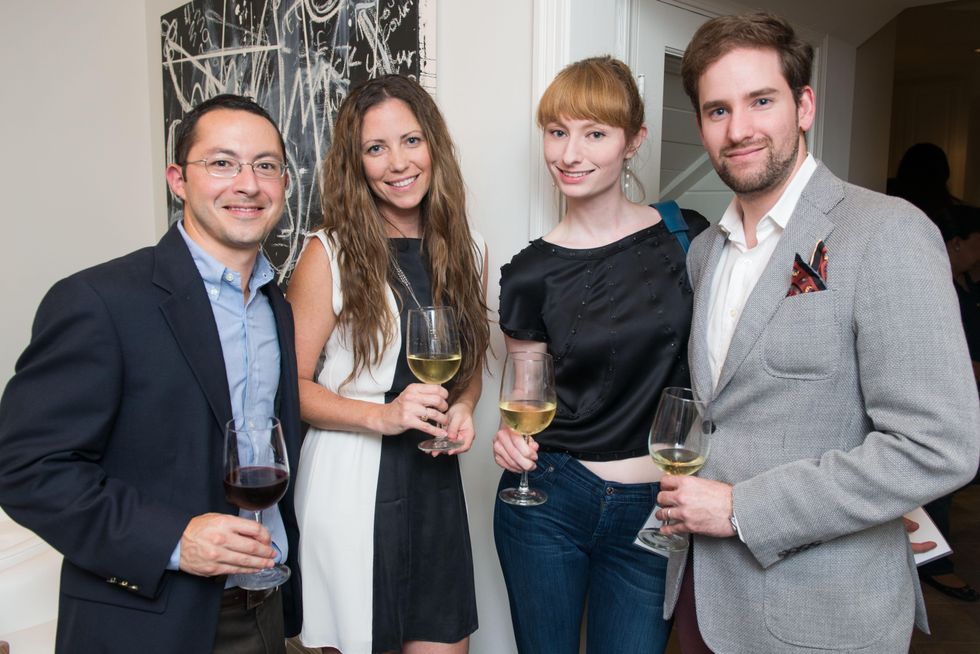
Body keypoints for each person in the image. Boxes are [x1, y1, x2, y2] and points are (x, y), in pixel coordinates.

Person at [657, 12, 980, 653]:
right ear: (700, 125)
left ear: (804, 105)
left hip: (821, 611)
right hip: (700, 593)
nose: (739, 128)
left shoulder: (887, 232)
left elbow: (938, 446)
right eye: (717, 110)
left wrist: (744, 509)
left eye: (761, 100)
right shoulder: (703, 253)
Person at [0, 94, 303, 653]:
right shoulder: (98, 300)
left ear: (284, 183)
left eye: (266, 165)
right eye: (221, 163)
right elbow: (25, 469)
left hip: (262, 610)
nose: (248, 183)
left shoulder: (273, 305)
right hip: (147, 621)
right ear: (177, 180)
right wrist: (174, 540)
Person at [492, 55, 708, 654]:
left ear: (633, 141)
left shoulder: (686, 238)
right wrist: (509, 436)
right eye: (557, 132)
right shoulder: (528, 272)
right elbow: (526, 393)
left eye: (595, 133)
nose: (570, 153)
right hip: (551, 499)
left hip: (658, 508)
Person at [288, 74, 489, 654]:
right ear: (357, 164)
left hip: (432, 482)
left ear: (434, 146)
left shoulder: (468, 247)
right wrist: (384, 415)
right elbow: (291, 389)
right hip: (350, 482)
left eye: (411, 140)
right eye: (376, 148)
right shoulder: (329, 252)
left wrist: (466, 407)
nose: (397, 163)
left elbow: (468, 365)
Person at [890, 142, 980, 602]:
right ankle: (930, 558)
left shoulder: (901, 217)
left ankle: (928, 556)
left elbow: (946, 448)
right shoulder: (927, 219)